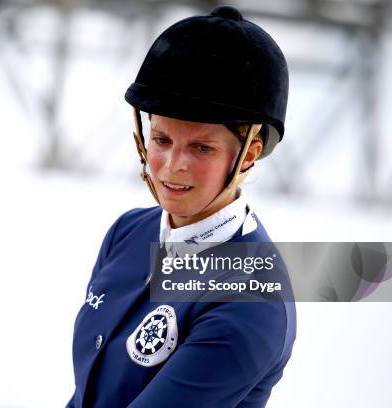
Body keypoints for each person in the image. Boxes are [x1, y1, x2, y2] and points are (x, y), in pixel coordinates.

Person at [67, 6, 296, 407]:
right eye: (162, 140)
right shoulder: (129, 232)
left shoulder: (252, 301)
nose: (173, 166)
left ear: (246, 156)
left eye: (201, 147)